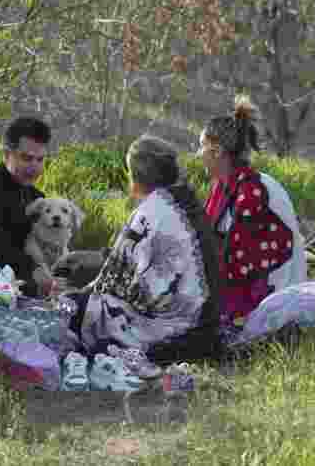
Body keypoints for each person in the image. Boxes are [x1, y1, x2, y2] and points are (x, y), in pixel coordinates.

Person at [62, 135, 221, 367]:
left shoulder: (149, 211)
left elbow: (110, 282)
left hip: (177, 332)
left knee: (72, 305)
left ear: (134, 178)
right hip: (208, 326)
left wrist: (75, 293)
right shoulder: (189, 203)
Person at [200, 95, 307, 329]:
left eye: (202, 146)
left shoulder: (252, 191)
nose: (200, 154)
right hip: (253, 286)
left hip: (272, 298)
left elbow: (238, 262)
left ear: (217, 151)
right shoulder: (227, 186)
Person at [0, 116, 59, 298]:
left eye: (40, 159)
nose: (34, 167)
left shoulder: (37, 198)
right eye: (27, 158)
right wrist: (33, 269)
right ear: (6, 154)